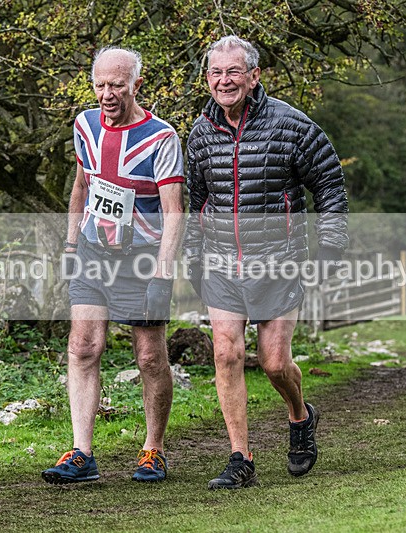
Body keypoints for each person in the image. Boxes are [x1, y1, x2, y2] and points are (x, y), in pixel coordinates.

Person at [184, 35, 348, 489]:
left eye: (234, 71)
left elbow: (330, 185)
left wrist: (330, 246)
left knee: (274, 364)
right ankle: (241, 459)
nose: (224, 80)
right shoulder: (199, 134)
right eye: (216, 73)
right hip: (221, 265)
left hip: (279, 262)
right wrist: (193, 259)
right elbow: (197, 202)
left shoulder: (292, 126)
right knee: (226, 352)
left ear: (254, 76)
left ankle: (300, 417)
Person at [42, 46, 185, 484]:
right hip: (91, 252)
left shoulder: (161, 138)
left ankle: (153, 450)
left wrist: (163, 272)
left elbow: (174, 211)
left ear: (136, 86)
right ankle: (82, 453)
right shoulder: (84, 125)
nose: (107, 94)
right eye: (100, 85)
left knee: (148, 358)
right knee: (83, 346)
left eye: (117, 86)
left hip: (142, 260)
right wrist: (70, 245)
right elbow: (82, 185)